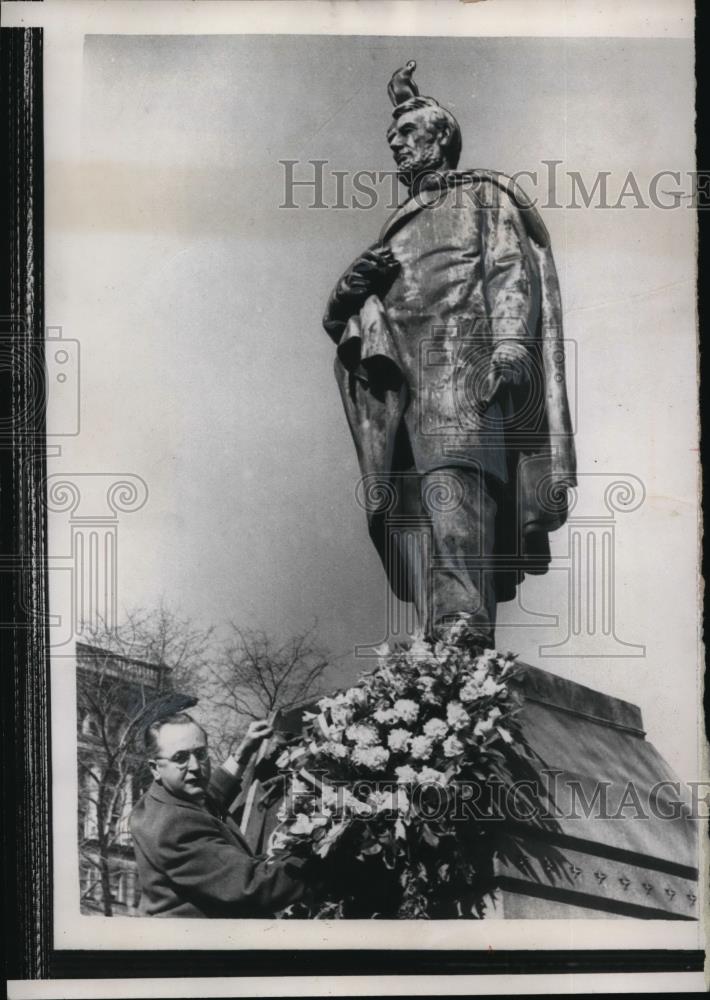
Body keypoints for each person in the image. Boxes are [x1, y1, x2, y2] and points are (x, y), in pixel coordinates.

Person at [322, 60, 576, 648]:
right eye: (393, 140)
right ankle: (448, 628)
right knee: (429, 506)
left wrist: (511, 342)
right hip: (400, 383)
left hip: (462, 365)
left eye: (409, 135)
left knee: (457, 488)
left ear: (442, 139)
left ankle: (463, 625)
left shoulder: (483, 197)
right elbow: (341, 321)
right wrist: (349, 286)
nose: (398, 147)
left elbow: (510, 269)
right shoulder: (395, 225)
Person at [130, 712, 306, 917]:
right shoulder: (172, 825)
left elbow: (208, 795)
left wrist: (242, 753)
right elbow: (252, 886)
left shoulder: (165, 797)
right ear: (155, 768)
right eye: (180, 758)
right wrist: (323, 864)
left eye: (201, 753)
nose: (196, 766)